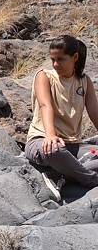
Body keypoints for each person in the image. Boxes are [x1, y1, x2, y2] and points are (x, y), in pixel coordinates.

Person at [26, 35, 98, 200]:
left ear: (75, 57)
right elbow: (46, 105)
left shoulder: (84, 81)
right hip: (42, 141)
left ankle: (60, 175)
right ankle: (91, 179)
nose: (55, 64)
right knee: (54, 151)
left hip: (73, 146)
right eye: (53, 60)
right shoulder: (44, 76)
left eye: (60, 59)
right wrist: (50, 135)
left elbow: (94, 112)